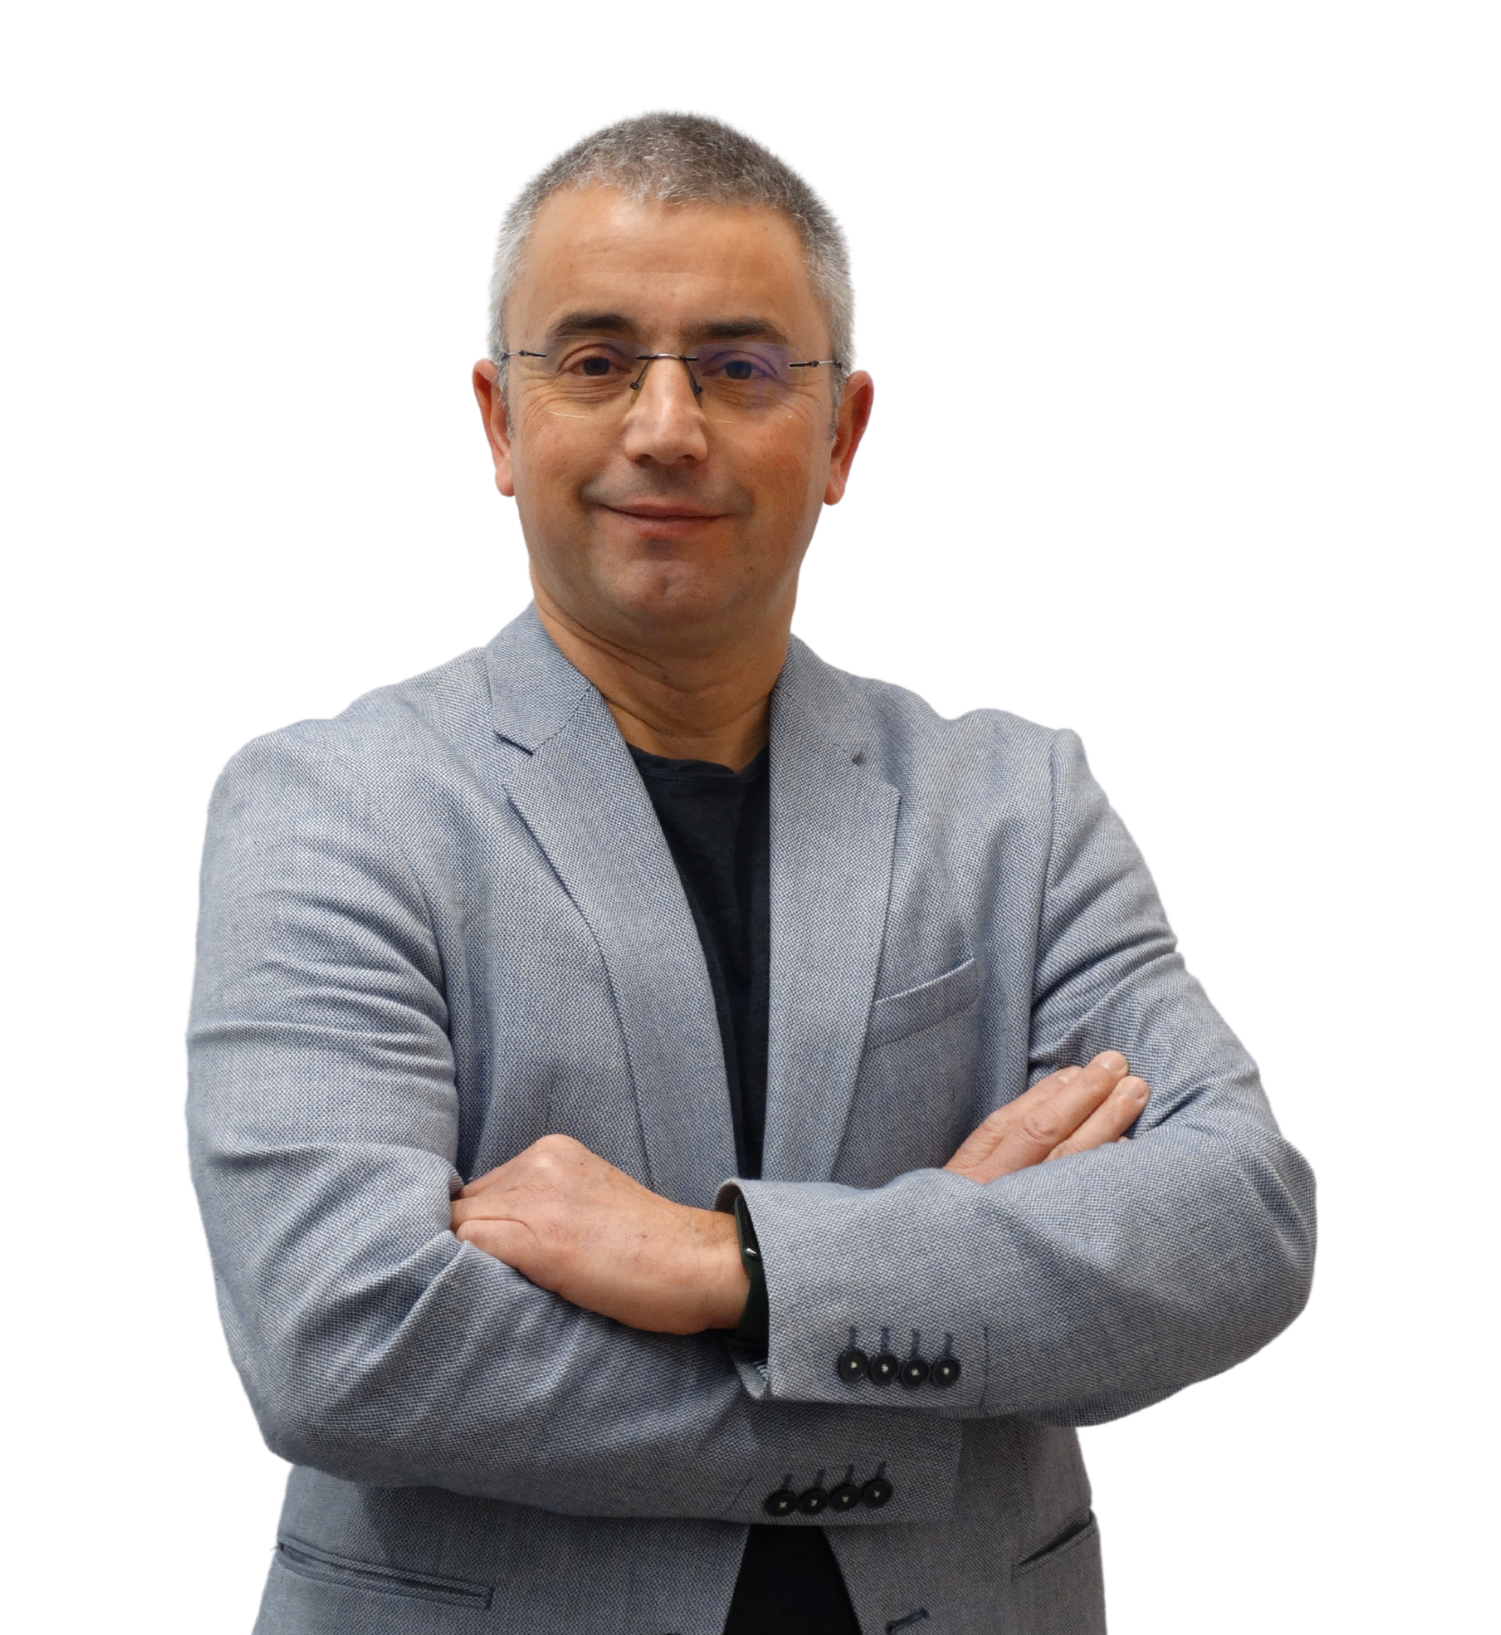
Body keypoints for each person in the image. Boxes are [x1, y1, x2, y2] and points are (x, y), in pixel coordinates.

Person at [188, 112, 1315, 1635]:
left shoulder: (1014, 809)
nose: (666, 425)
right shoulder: (334, 809)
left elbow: (1238, 1221)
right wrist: (915, 1343)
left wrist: (726, 1264)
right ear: (500, 423)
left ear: (842, 434)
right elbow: (344, 1344)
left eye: (739, 367)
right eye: (597, 360)